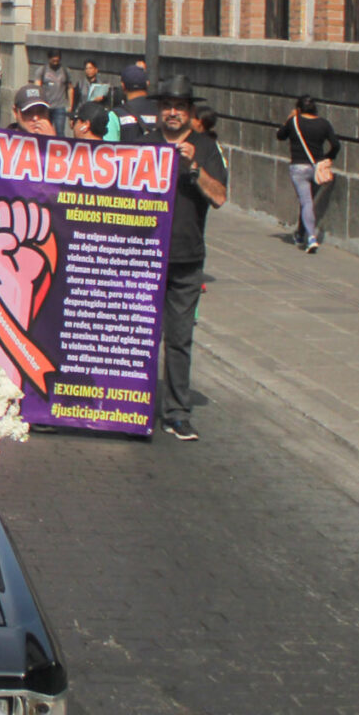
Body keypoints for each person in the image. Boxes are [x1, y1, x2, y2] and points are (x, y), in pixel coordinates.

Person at [155, 77, 228, 442]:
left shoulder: (205, 147)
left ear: (189, 113)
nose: (172, 112)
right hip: (142, 258)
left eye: (179, 107)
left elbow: (219, 197)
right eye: (167, 105)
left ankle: (177, 412)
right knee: (132, 337)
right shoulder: (142, 145)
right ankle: (124, 405)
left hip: (185, 260)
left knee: (180, 338)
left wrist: (195, 168)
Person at [278, 96, 338, 254]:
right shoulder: (324, 123)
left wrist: (289, 118)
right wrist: (328, 157)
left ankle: (311, 237)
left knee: (306, 203)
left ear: (298, 108)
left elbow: (280, 136)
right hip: (317, 167)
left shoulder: (294, 122)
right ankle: (300, 233)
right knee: (308, 202)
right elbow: (336, 145)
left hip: (299, 167)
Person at [0, 84, 60, 174]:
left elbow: (68, 187)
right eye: (28, 112)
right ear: (15, 112)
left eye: (41, 111)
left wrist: (54, 145)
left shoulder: (62, 147)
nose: (35, 118)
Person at [37, 51, 73, 137]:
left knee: (60, 132)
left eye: (57, 61)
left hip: (60, 106)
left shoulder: (65, 71)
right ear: (49, 59)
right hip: (46, 106)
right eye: (53, 61)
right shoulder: (42, 70)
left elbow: (70, 88)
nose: (55, 62)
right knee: (45, 132)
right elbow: (37, 87)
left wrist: (70, 105)